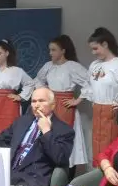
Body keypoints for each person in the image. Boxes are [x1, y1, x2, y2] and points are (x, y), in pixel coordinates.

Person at [0, 87, 75, 186]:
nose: (36, 105)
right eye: (34, 101)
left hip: (33, 180)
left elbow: (60, 159)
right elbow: (0, 140)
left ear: (53, 105)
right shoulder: (22, 121)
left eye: (41, 101)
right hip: (9, 173)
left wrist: (46, 132)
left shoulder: (64, 130)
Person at [77, 28, 118, 166]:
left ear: (105, 44)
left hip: (113, 113)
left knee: (112, 147)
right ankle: (98, 176)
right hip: (97, 112)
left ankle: (113, 175)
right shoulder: (94, 65)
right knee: (97, 147)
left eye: (95, 48)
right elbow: (88, 86)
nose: (93, 53)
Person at [34, 34, 88, 171]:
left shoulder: (72, 66)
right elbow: (38, 80)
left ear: (63, 51)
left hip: (65, 107)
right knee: (49, 134)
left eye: (53, 50)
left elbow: (90, 82)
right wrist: (45, 91)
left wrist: (77, 100)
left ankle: (67, 173)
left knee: (66, 138)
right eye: (50, 50)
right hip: (51, 105)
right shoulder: (48, 66)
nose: (50, 53)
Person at [0, 39, 34, 141]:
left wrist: (20, 96)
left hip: (9, 104)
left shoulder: (17, 71)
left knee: (9, 129)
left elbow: (30, 83)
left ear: (7, 53)